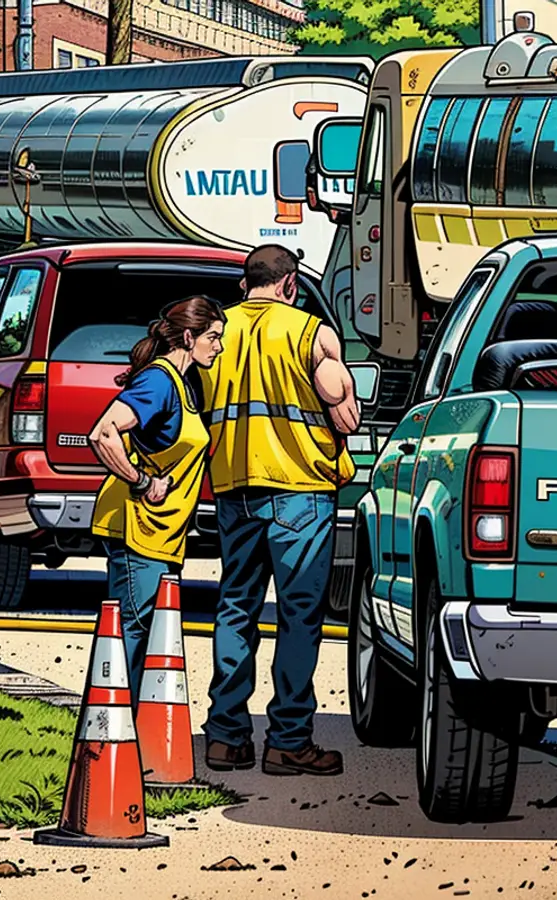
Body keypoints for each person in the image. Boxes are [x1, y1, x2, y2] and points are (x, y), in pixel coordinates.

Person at [200, 244, 359, 777]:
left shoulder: (217, 335)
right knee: (298, 618)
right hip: (301, 492)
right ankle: (288, 740)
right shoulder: (309, 332)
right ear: (290, 284)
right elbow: (348, 418)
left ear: (246, 284)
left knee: (236, 608)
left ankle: (225, 737)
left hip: (232, 489)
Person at [90, 296, 226, 693]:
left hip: (158, 535)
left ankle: (120, 739)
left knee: (136, 637)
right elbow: (102, 432)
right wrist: (143, 482)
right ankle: (111, 739)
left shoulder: (181, 385)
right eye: (213, 337)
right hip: (137, 529)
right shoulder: (159, 381)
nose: (218, 347)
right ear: (188, 336)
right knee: (130, 638)